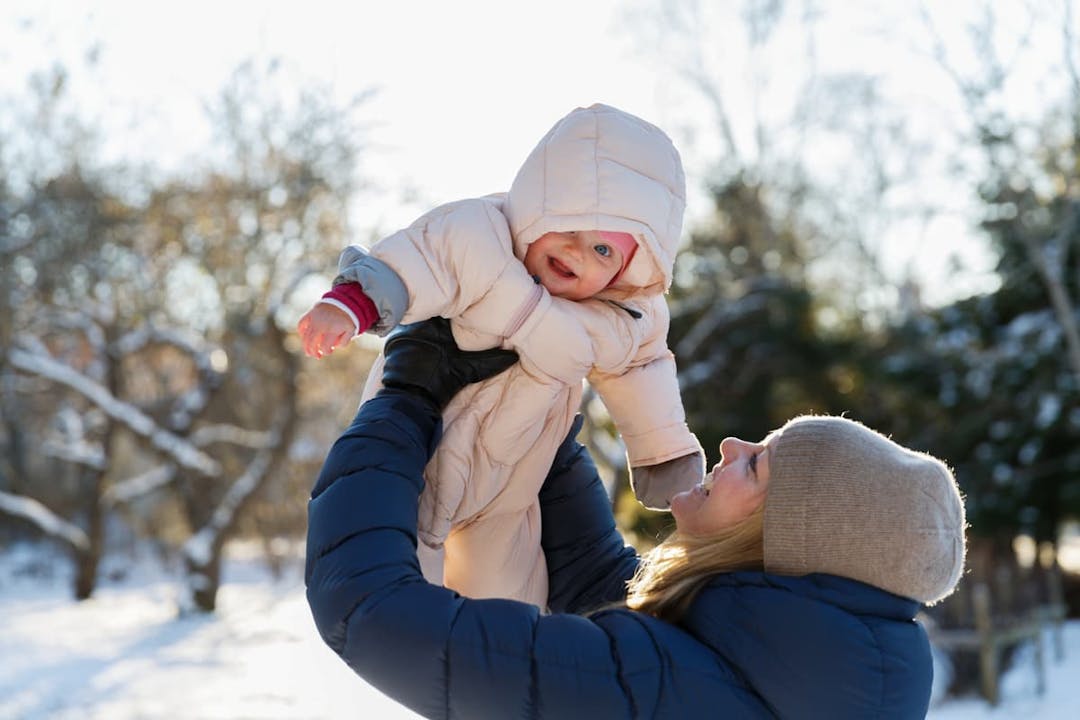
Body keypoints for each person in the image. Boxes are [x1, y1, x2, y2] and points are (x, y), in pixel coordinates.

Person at [306, 318, 967, 720]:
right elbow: (597, 583)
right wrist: (541, 416)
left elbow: (370, 614)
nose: (731, 447)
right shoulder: (790, 672)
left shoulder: (673, 694)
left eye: (759, 466)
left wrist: (405, 399)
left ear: (783, 543)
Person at [297, 103, 704, 607]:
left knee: (511, 602)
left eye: (603, 251)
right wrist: (350, 305)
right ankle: (412, 645)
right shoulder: (477, 237)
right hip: (423, 449)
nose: (577, 251)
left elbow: (643, 375)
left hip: (512, 484)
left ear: (626, 272)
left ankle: (501, 670)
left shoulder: (621, 319)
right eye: (569, 225)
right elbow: (412, 263)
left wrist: (663, 454)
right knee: (407, 584)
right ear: (536, 205)